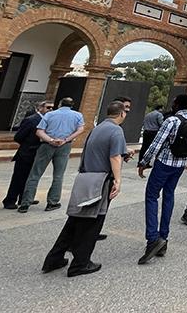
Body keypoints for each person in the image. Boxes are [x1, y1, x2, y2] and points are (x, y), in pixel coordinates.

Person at [41, 100, 128, 277]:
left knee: (74, 221)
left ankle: (54, 258)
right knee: (93, 223)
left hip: (85, 177)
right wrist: (118, 181)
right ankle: (80, 263)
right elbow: (115, 157)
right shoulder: (116, 130)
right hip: (100, 180)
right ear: (121, 114)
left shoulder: (97, 128)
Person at [137, 94, 187, 264]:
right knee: (169, 195)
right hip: (180, 164)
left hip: (164, 163)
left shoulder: (171, 120)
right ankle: (164, 238)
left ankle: (152, 239)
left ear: (176, 104)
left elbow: (157, 143)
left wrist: (143, 162)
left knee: (151, 196)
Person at [18, 97, 85, 213]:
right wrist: (66, 139)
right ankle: (52, 202)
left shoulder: (49, 115)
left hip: (46, 145)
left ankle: (25, 203)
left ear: (60, 104)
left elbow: (39, 131)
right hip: (64, 146)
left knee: (35, 174)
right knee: (58, 175)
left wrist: (50, 140)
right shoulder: (77, 115)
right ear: (72, 105)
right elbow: (81, 129)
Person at [3, 101, 51, 209]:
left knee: (30, 177)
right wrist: (28, 145)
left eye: (52, 108)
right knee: (18, 178)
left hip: (37, 154)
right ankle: (9, 200)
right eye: (48, 107)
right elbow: (18, 137)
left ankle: (24, 198)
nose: (50, 110)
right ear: (40, 108)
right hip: (25, 153)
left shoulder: (46, 120)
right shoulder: (31, 120)